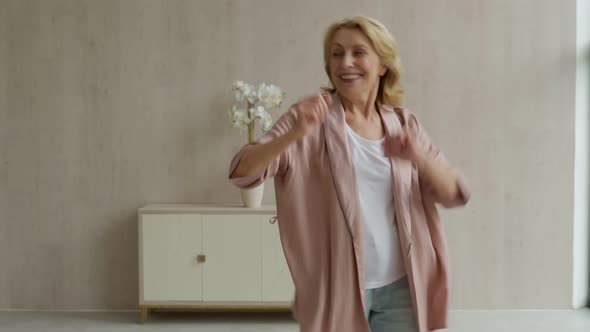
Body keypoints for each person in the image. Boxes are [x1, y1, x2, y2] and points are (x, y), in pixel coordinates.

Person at [229, 15, 470, 332]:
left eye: (358, 52)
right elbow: (243, 172)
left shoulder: (404, 124)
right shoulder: (309, 120)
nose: (346, 62)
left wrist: (418, 156)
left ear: (383, 64)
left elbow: (454, 193)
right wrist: (292, 135)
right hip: (337, 289)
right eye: (336, 53)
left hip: (402, 287)